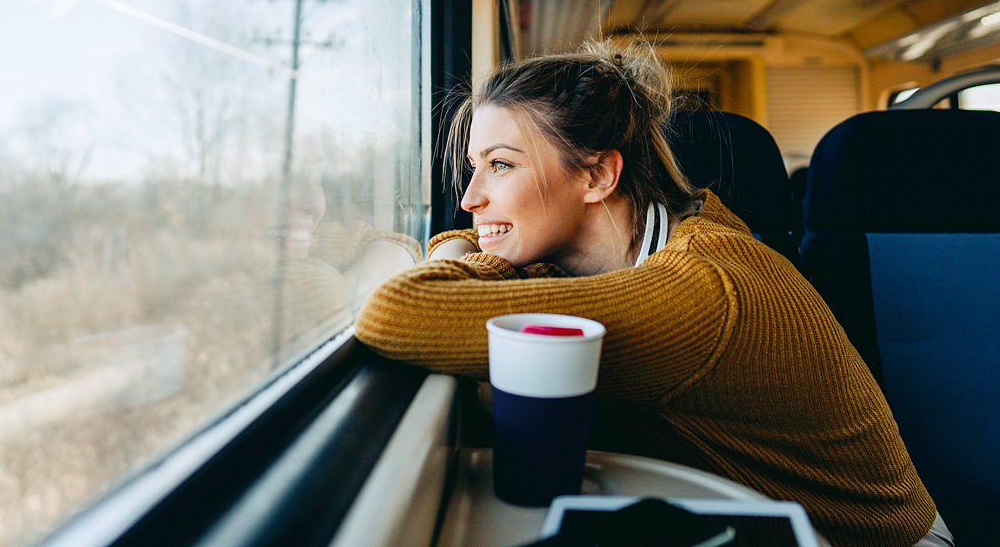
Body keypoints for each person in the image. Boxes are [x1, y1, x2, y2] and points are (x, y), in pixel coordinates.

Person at [354, 40, 952, 547]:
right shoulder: (610, 253)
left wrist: (463, 260)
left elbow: (396, 312)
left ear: (597, 176)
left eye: (502, 166)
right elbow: (467, 239)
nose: (470, 196)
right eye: (474, 166)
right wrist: (466, 250)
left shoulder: (703, 288)